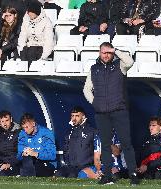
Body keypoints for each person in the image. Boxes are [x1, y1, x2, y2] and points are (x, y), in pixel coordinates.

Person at [83, 42, 139, 185]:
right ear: (99, 53)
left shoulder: (120, 65)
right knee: (106, 145)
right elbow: (86, 89)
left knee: (126, 143)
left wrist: (115, 49)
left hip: (120, 111)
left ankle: (133, 174)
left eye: (108, 52)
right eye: (104, 52)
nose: (106, 55)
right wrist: (95, 103)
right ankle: (107, 175)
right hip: (101, 113)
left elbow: (130, 61)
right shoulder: (94, 68)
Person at [55, 106, 101, 179]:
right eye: (72, 116)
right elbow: (65, 150)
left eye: (77, 116)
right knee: (58, 174)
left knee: (72, 176)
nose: (74, 118)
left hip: (85, 166)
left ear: (83, 117)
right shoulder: (69, 133)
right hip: (70, 166)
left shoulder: (92, 131)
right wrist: (68, 163)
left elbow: (98, 151)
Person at [0, 110, 21, 176]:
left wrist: (9, 164)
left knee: (2, 174)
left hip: (14, 165)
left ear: (11, 119)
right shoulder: (0, 133)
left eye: (7, 120)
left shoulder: (19, 132)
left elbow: (21, 154)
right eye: (2, 121)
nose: (5, 124)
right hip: (1, 164)